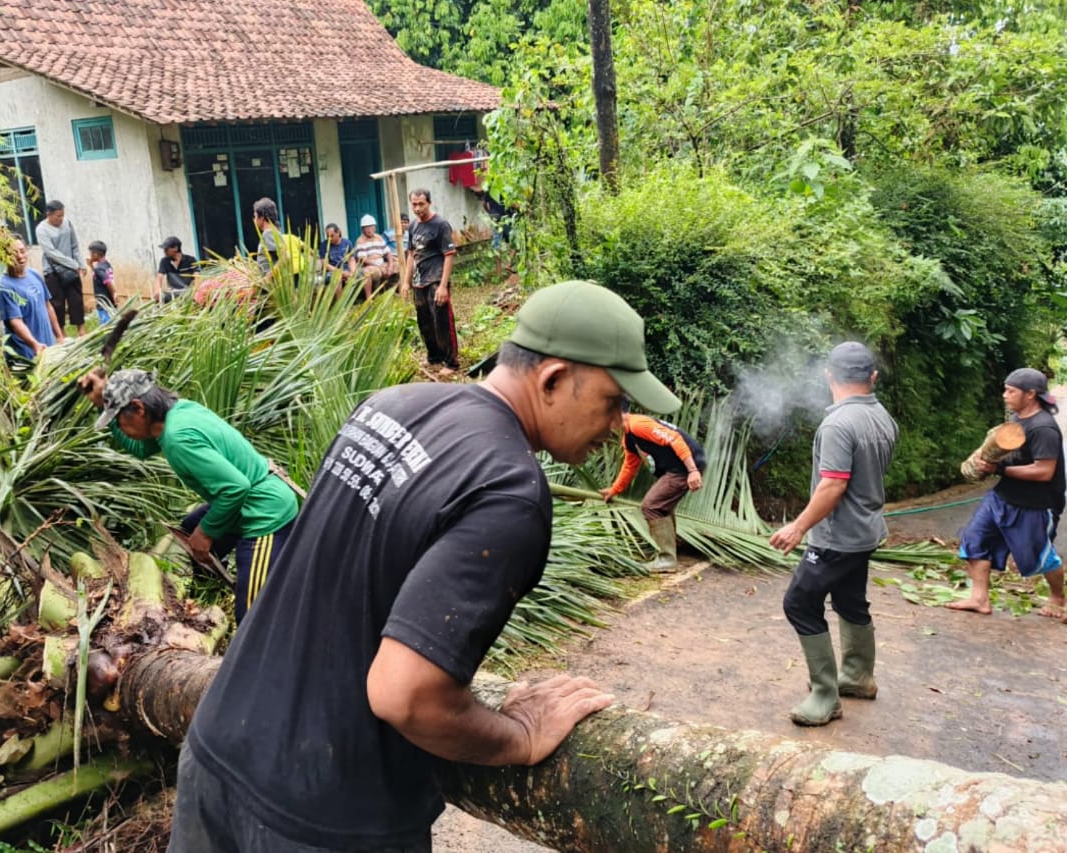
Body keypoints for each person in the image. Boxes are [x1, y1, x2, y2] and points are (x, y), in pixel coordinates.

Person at [167, 280, 681, 853]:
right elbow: (405, 695)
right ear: (555, 378)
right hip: (324, 820)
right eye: (612, 402)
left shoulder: (392, 405)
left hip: (214, 754)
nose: (617, 426)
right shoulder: (509, 492)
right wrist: (518, 735)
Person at [78, 368, 299, 625]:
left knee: (252, 618)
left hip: (264, 513)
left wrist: (206, 534)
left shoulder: (177, 438)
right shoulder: (176, 412)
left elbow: (235, 488)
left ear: (138, 408)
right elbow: (140, 448)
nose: (120, 427)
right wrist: (101, 404)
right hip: (247, 500)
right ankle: (214, 596)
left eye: (118, 419)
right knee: (190, 529)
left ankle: (253, 613)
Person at [769, 342, 898, 727]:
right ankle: (858, 676)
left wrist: (798, 526)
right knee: (849, 599)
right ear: (872, 377)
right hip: (866, 530)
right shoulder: (882, 417)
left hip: (837, 537)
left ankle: (826, 695)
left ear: (829, 375)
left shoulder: (838, 424)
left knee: (799, 603)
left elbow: (832, 486)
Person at [946, 368, 1067, 619]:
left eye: (1011, 391)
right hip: (1002, 498)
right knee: (975, 539)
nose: (1005, 395)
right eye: (1005, 389)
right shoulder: (1015, 419)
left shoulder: (1044, 428)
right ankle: (979, 599)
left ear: (1031, 394)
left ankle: (1058, 597)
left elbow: (1044, 471)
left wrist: (1000, 469)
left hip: (1034, 504)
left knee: (1039, 556)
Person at [599, 405, 706, 571]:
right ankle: (669, 553)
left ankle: (667, 559)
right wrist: (614, 490)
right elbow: (629, 466)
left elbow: (674, 439)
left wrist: (693, 471)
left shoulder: (638, 424)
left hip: (684, 467)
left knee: (651, 506)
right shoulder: (629, 437)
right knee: (661, 507)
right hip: (677, 469)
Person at [399, 189, 459, 375]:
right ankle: (434, 357)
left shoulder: (441, 225)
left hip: (436, 278)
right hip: (419, 280)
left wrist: (443, 286)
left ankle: (451, 362)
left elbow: (448, 256)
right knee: (424, 321)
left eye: (421, 204)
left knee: (441, 320)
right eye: (414, 204)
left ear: (429, 203)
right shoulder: (412, 227)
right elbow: (411, 256)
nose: (417, 208)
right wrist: (406, 282)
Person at [0, 236, 64, 366]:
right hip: (26, 356)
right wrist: (34, 344)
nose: (20, 257)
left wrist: (59, 336)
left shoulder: (34, 274)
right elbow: (15, 321)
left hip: (47, 348)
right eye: (14, 254)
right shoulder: (4, 287)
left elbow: (48, 306)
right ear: (2, 257)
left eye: (22, 251)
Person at [34, 200, 88, 338]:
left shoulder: (67, 224)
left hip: (71, 270)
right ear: (49, 214)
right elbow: (52, 253)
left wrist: (81, 264)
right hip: (53, 271)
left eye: (62, 215)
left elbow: (74, 246)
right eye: (58, 216)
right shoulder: (41, 230)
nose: (61, 219)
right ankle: (61, 335)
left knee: (76, 300)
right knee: (57, 303)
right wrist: (74, 265)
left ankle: (81, 330)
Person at [349, 214, 396, 300]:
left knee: (398, 266)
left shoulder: (379, 238)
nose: (370, 230)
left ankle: (395, 292)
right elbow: (362, 259)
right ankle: (369, 298)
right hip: (369, 265)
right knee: (368, 273)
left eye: (371, 227)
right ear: (363, 229)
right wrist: (378, 266)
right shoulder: (360, 241)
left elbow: (388, 253)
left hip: (381, 262)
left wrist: (390, 265)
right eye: (367, 228)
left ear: (375, 227)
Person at [154, 236, 199, 303]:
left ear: (176, 248)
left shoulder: (190, 260)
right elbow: (159, 276)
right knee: (161, 298)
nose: (164, 251)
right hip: (173, 293)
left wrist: (196, 291)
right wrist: (157, 290)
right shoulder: (164, 261)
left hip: (188, 292)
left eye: (166, 249)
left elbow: (197, 276)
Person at [316, 223, 354, 292]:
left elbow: (351, 259)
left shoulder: (347, 243)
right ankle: (340, 302)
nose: (330, 239)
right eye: (328, 236)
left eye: (332, 236)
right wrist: (341, 273)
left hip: (346, 270)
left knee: (364, 273)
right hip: (331, 272)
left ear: (338, 232)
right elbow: (325, 264)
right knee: (337, 278)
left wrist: (352, 272)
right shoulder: (324, 245)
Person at [87, 240, 117, 324]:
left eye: (90, 253)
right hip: (109, 302)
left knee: (106, 325)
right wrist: (91, 266)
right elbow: (99, 277)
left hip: (104, 303)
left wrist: (114, 293)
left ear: (95, 254)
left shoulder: (99, 269)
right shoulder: (106, 264)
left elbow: (107, 281)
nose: (89, 255)